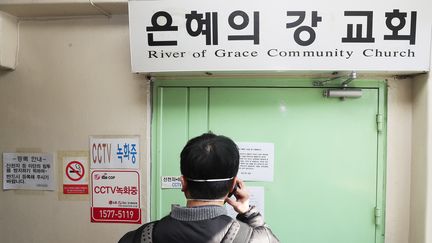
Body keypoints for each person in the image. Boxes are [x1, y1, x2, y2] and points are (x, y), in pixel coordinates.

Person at [119, 133, 279, 243]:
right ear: (233, 185)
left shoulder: (138, 237)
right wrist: (248, 213)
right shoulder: (253, 238)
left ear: (183, 183)